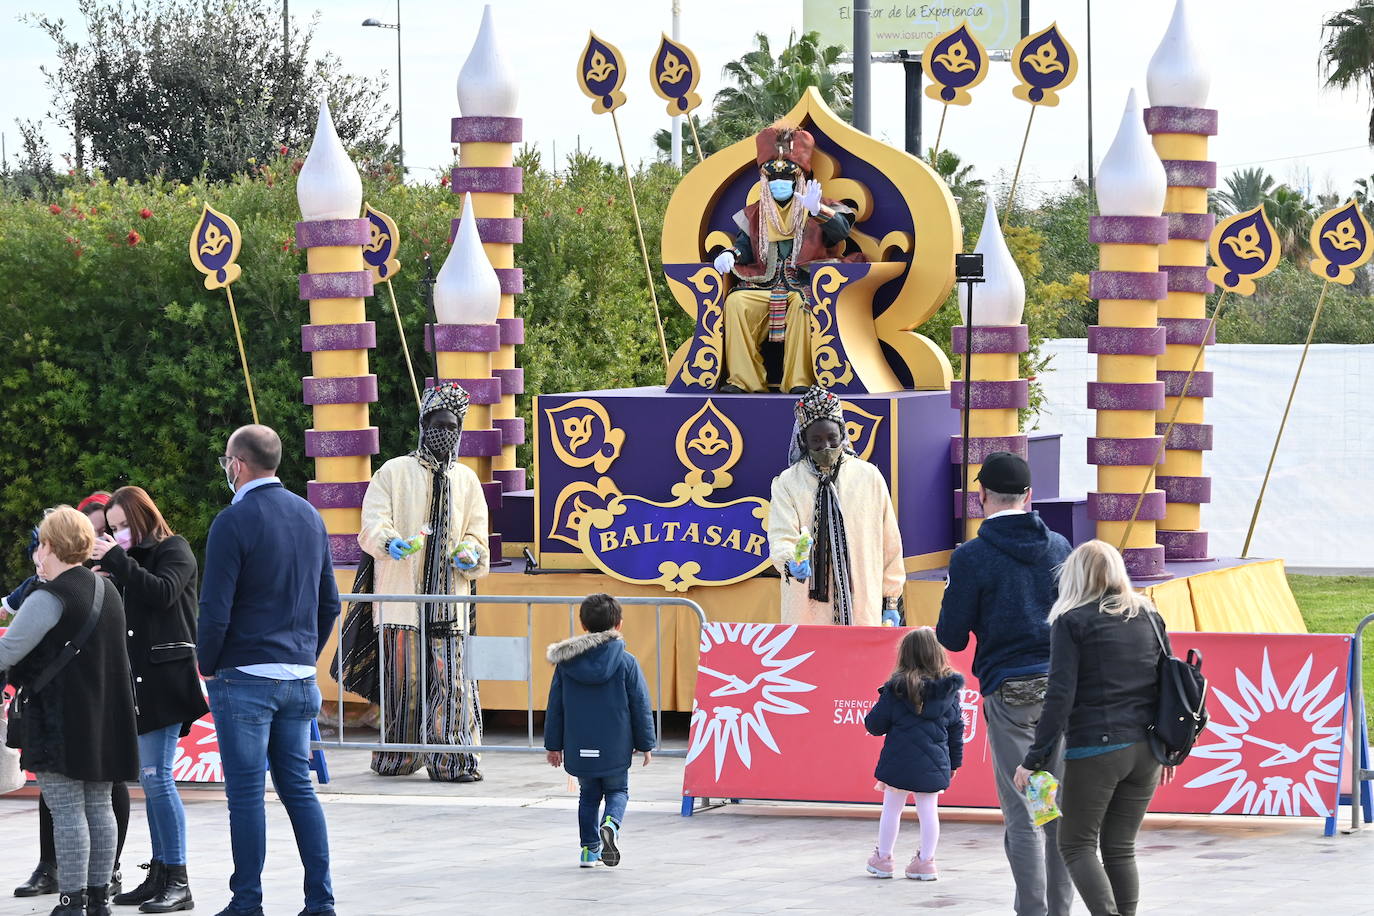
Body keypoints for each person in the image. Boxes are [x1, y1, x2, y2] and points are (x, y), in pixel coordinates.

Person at [197, 424, 339, 916]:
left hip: (244, 676)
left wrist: (207, 664)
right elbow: (330, 604)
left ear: (237, 465)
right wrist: (305, 654)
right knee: (299, 791)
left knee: (246, 796)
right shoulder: (309, 516)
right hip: (298, 677)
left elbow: (215, 607)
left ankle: (247, 902)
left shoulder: (232, 522)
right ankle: (320, 901)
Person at [936, 451, 1074, 916]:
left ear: (981, 498)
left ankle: (1031, 910)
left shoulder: (972, 557)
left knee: (1024, 811)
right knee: (1053, 809)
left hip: (1011, 694)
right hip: (1062, 690)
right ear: (1030, 496)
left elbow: (950, 636)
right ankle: (1060, 909)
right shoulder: (1060, 547)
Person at [1014, 541, 1171, 916]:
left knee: (1076, 845)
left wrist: (1034, 759)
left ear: (1075, 575)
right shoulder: (1149, 614)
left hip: (1096, 748)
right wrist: (1166, 747)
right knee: (1120, 847)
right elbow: (1167, 681)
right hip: (1147, 749)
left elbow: (1059, 697)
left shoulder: (1072, 620)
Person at [0, 506, 138, 916]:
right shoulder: (104, 589)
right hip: (105, 715)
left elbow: (9, 650)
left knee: (66, 811)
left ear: (51, 546)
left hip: (59, 718)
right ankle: (98, 899)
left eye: (40, 544)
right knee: (98, 806)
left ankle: (71, 900)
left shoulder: (50, 595)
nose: (36, 554)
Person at [358, 382, 490, 781]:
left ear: (460, 430)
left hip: (450, 602)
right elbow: (372, 523)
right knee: (405, 685)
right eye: (436, 424)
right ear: (422, 424)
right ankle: (399, 757)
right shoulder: (393, 472)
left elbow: (478, 534)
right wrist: (388, 540)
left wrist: (470, 553)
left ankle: (454, 761)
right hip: (402, 602)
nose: (443, 432)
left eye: (451, 426)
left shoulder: (468, 481)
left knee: (453, 683)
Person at [91, 486, 207, 912]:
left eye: (123, 526)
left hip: (167, 680)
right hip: (137, 683)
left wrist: (119, 563)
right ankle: (160, 872)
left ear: (143, 517)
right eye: (114, 529)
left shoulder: (174, 549)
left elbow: (163, 592)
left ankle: (179, 879)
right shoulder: (130, 561)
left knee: (158, 777)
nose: (119, 535)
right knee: (151, 778)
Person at [712, 126, 862, 393]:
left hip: (802, 285)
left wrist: (818, 211)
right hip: (764, 285)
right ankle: (745, 380)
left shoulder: (819, 205)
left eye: (786, 176)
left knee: (802, 305)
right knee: (735, 301)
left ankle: (799, 381)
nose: (779, 182)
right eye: (772, 177)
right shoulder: (756, 213)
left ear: (800, 176)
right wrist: (729, 254)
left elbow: (841, 232)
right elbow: (744, 246)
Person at [768, 386, 904, 627]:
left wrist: (891, 600)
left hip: (862, 601)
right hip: (806, 606)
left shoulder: (869, 477)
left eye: (832, 438)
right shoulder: (788, 482)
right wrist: (792, 563)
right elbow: (781, 536)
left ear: (843, 433)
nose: (826, 447)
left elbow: (889, 543)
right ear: (803, 441)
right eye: (816, 441)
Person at [543, 594, 655, 868]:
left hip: (579, 741)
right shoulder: (626, 662)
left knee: (588, 796)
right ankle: (611, 824)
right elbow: (639, 703)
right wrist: (646, 743)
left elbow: (555, 706)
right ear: (618, 624)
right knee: (618, 791)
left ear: (583, 625)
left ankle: (589, 851)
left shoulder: (566, 664)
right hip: (616, 743)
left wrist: (553, 745)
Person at [863, 628, 965, 881]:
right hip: (934, 762)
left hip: (898, 763)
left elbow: (874, 726)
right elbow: (956, 729)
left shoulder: (895, 690)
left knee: (892, 809)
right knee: (929, 810)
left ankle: (883, 860)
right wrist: (954, 762)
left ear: (904, 655)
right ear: (938, 654)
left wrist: (883, 698)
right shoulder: (949, 693)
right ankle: (926, 862)